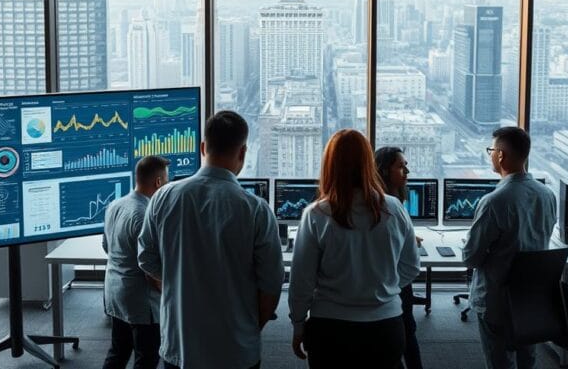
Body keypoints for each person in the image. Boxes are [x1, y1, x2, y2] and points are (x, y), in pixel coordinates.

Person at [138, 111, 284, 369]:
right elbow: (271, 283)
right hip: (236, 350)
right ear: (242, 153)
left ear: (203, 148)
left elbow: (146, 258)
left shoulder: (163, 198)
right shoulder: (256, 209)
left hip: (179, 347)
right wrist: (250, 327)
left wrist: (178, 281)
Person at [289, 130, 421, 369]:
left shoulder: (316, 214)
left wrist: (298, 325)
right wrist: (382, 287)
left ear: (330, 165)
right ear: (368, 164)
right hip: (386, 327)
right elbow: (411, 267)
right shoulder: (394, 209)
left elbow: (301, 280)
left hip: (330, 328)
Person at [461, 126, 557, 369]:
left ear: (501, 155)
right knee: (528, 361)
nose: (490, 155)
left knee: (499, 363)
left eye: (491, 150)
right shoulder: (547, 195)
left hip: (497, 301)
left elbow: (471, 258)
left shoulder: (494, 201)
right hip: (531, 299)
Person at [101, 155, 169, 369]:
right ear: (158, 182)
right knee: (146, 358)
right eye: (166, 180)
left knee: (118, 352)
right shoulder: (146, 214)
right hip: (141, 301)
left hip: (115, 292)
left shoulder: (115, 205)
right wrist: (169, 294)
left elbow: (106, 246)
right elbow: (150, 268)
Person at [374, 146, 424, 369]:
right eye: (401, 166)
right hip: (392, 283)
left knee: (408, 331)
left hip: (393, 283)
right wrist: (393, 285)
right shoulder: (381, 203)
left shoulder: (395, 199)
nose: (407, 171)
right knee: (405, 332)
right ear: (384, 170)